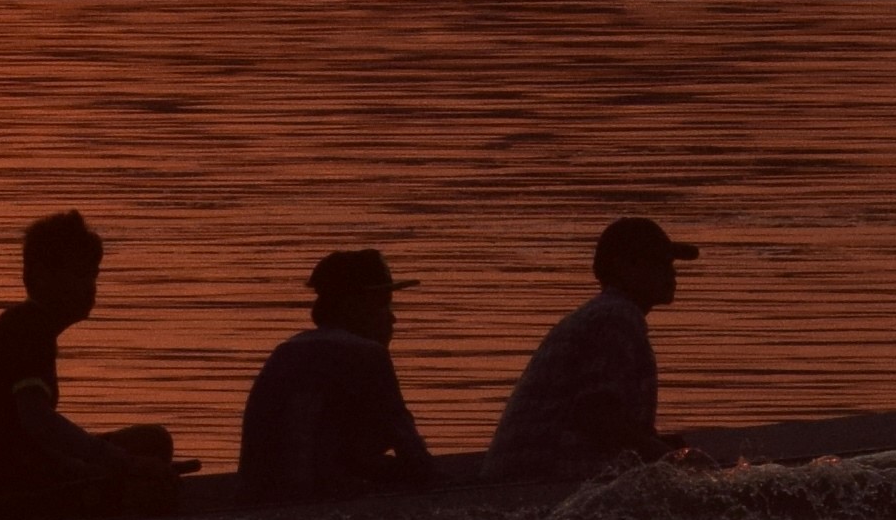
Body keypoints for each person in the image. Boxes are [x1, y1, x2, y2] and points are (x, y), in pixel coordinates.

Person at [0, 209, 180, 517]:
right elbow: (37, 420)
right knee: (150, 452)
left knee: (151, 441)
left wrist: (102, 459)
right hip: (6, 474)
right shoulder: (27, 329)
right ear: (43, 277)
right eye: (79, 275)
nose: (90, 287)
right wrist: (119, 462)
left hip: (17, 463)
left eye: (93, 275)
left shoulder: (30, 326)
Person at [487, 214, 697, 479]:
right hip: (541, 475)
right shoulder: (615, 317)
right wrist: (667, 460)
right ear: (622, 267)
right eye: (657, 263)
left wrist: (655, 443)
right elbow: (597, 416)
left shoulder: (607, 314)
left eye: (669, 264)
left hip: (526, 471)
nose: (671, 273)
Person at [234, 248, 438, 503]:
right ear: (355, 306)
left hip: (257, 497)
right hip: (320, 501)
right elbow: (413, 454)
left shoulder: (285, 351)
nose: (393, 318)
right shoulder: (368, 355)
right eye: (384, 305)